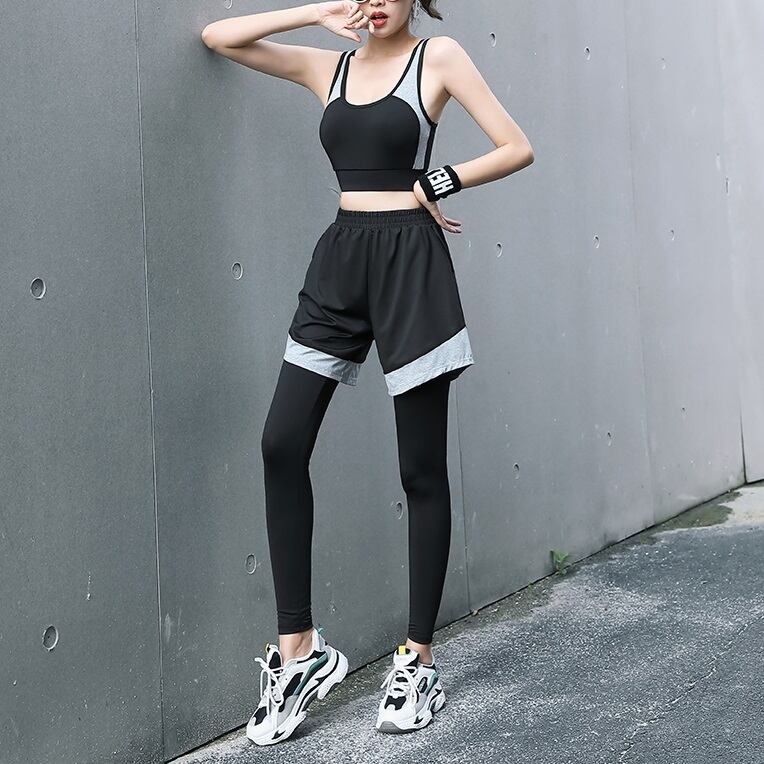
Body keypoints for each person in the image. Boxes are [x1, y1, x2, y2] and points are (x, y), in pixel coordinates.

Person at [201, 0, 534, 744]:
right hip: (342, 260)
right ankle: (299, 652)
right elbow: (219, 38)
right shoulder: (328, 67)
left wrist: (437, 182)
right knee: (281, 443)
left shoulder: (436, 58)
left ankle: (418, 660)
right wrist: (313, 14)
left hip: (410, 263)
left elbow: (516, 146)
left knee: (420, 469)